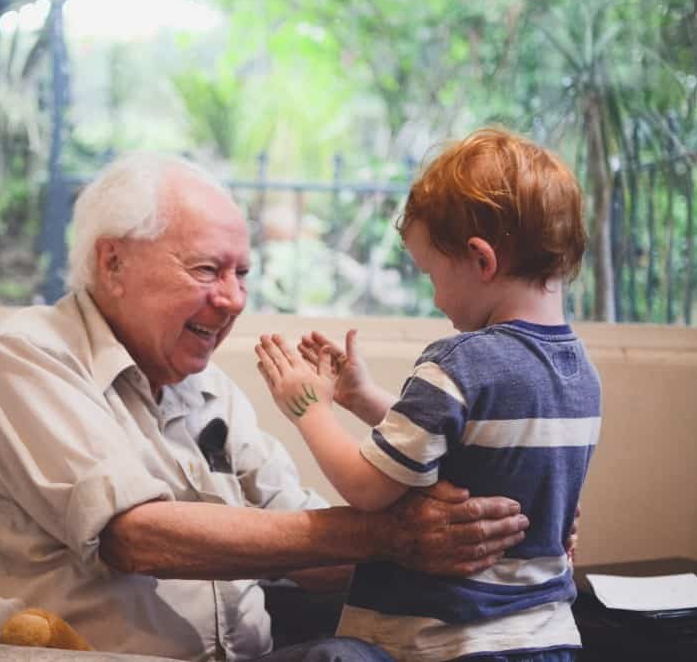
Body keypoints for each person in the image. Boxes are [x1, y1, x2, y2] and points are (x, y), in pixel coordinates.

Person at [0, 151, 531, 662]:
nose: (232, 300)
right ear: (113, 263)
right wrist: (390, 534)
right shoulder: (30, 354)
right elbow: (135, 537)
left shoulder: (210, 389)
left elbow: (318, 553)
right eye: (206, 269)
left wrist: (480, 531)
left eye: (242, 274)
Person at [255, 127, 600, 661]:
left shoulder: (460, 361)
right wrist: (365, 398)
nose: (436, 295)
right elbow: (465, 448)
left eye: (432, 274)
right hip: (546, 638)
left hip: (446, 643)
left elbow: (368, 490)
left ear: (482, 261)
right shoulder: (580, 377)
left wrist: (310, 408)